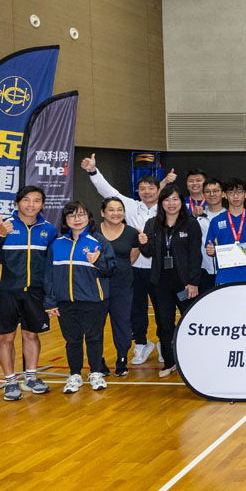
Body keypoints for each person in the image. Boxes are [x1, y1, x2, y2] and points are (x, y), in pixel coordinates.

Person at [80, 152, 177, 366]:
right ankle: (141, 343)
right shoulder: (130, 206)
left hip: (161, 270)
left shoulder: (169, 209)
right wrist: (93, 171)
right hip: (135, 270)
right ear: (138, 191)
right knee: (136, 311)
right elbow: (107, 190)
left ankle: (164, 344)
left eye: (151, 188)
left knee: (163, 310)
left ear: (158, 190)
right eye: (143, 188)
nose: (147, 191)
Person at [0, 185, 57, 401]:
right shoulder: (1, 226)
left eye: (36, 200)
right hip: (6, 292)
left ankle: (31, 377)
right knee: (6, 337)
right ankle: (10, 381)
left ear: (42, 205)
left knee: (31, 335)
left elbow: (51, 265)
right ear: (17, 202)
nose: (31, 205)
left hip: (35, 293)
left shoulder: (49, 230)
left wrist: (51, 296)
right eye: (26, 200)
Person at [43, 201, 116, 393]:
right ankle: (74, 375)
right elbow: (48, 275)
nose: (77, 219)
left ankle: (96, 373)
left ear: (88, 217)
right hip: (65, 303)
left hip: (94, 301)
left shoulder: (99, 241)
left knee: (94, 338)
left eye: (81, 214)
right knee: (72, 340)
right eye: (72, 215)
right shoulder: (57, 244)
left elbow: (111, 269)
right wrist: (50, 301)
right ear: (65, 219)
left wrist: (98, 260)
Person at [138, 184, 203, 377]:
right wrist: (143, 243)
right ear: (161, 203)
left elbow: (195, 255)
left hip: (185, 283)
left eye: (175, 199)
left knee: (189, 321)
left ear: (181, 202)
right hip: (160, 283)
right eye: (167, 200)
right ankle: (169, 361)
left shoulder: (190, 224)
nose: (171, 203)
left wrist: (193, 282)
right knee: (164, 323)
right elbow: (148, 252)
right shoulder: (152, 224)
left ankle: (193, 360)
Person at [93, 197, 139, 376]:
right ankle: (98, 360)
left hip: (122, 285)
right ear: (102, 212)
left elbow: (133, 255)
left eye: (120, 209)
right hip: (97, 286)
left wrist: (119, 269)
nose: (116, 213)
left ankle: (121, 358)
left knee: (122, 323)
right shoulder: (93, 232)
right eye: (111, 210)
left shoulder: (131, 233)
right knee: (96, 324)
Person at [206, 178, 246, 284]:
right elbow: (210, 248)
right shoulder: (216, 221)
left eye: (239, 192)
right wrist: (211, 250)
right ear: (224, 195)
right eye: (231, 193)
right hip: (224, 277)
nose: (235, 196)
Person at [195, 177, 225, 293]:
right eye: (208, 191)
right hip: (204, 270)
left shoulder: (230, 216)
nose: (212, 194)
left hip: (226, 271)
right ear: (203, 195)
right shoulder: (197, 218)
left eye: (216, 191)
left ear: (223, 194)